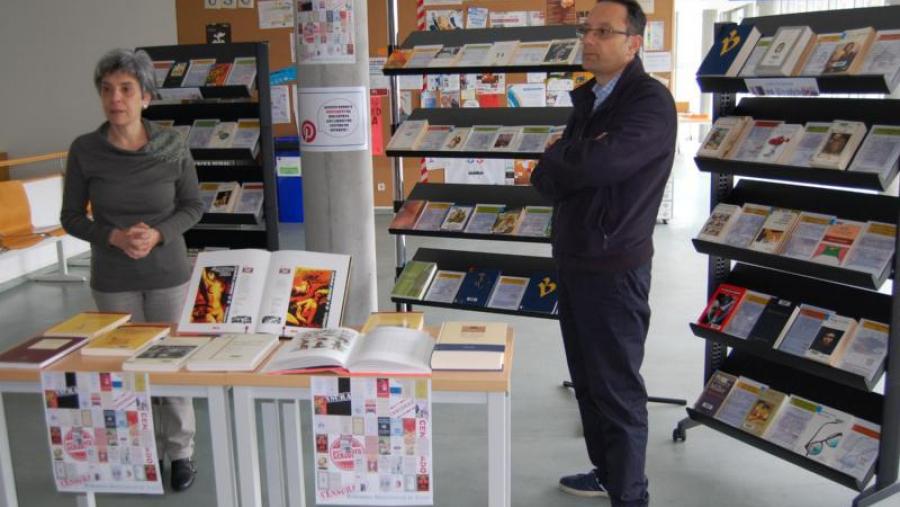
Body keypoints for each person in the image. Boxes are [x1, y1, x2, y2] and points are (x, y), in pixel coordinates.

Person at [530, 1, 676, 505]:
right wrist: (565, 160)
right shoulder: (591, 99)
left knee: (617, 390)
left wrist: (558, 155)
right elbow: (555, 178)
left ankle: (630, 495)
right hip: (575, 258)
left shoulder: (649, 102)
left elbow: (598, 164)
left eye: (603, 32)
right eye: (586, 29)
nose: (589, 40)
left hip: (615, 268)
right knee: (589, 383)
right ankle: (607, 471)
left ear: (634, 43)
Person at [60, 48, 205, 492]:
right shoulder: (86, 150)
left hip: (168, 274)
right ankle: (138, 450)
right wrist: (113, 236)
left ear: (146, 97)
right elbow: (71, 216)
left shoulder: (172, 145)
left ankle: (180, 452)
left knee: (170, 367)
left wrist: (158, 234)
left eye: (125, 89)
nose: (115, 98)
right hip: (114, 280)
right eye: (107, 90)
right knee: (123, 367)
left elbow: (193, 206)